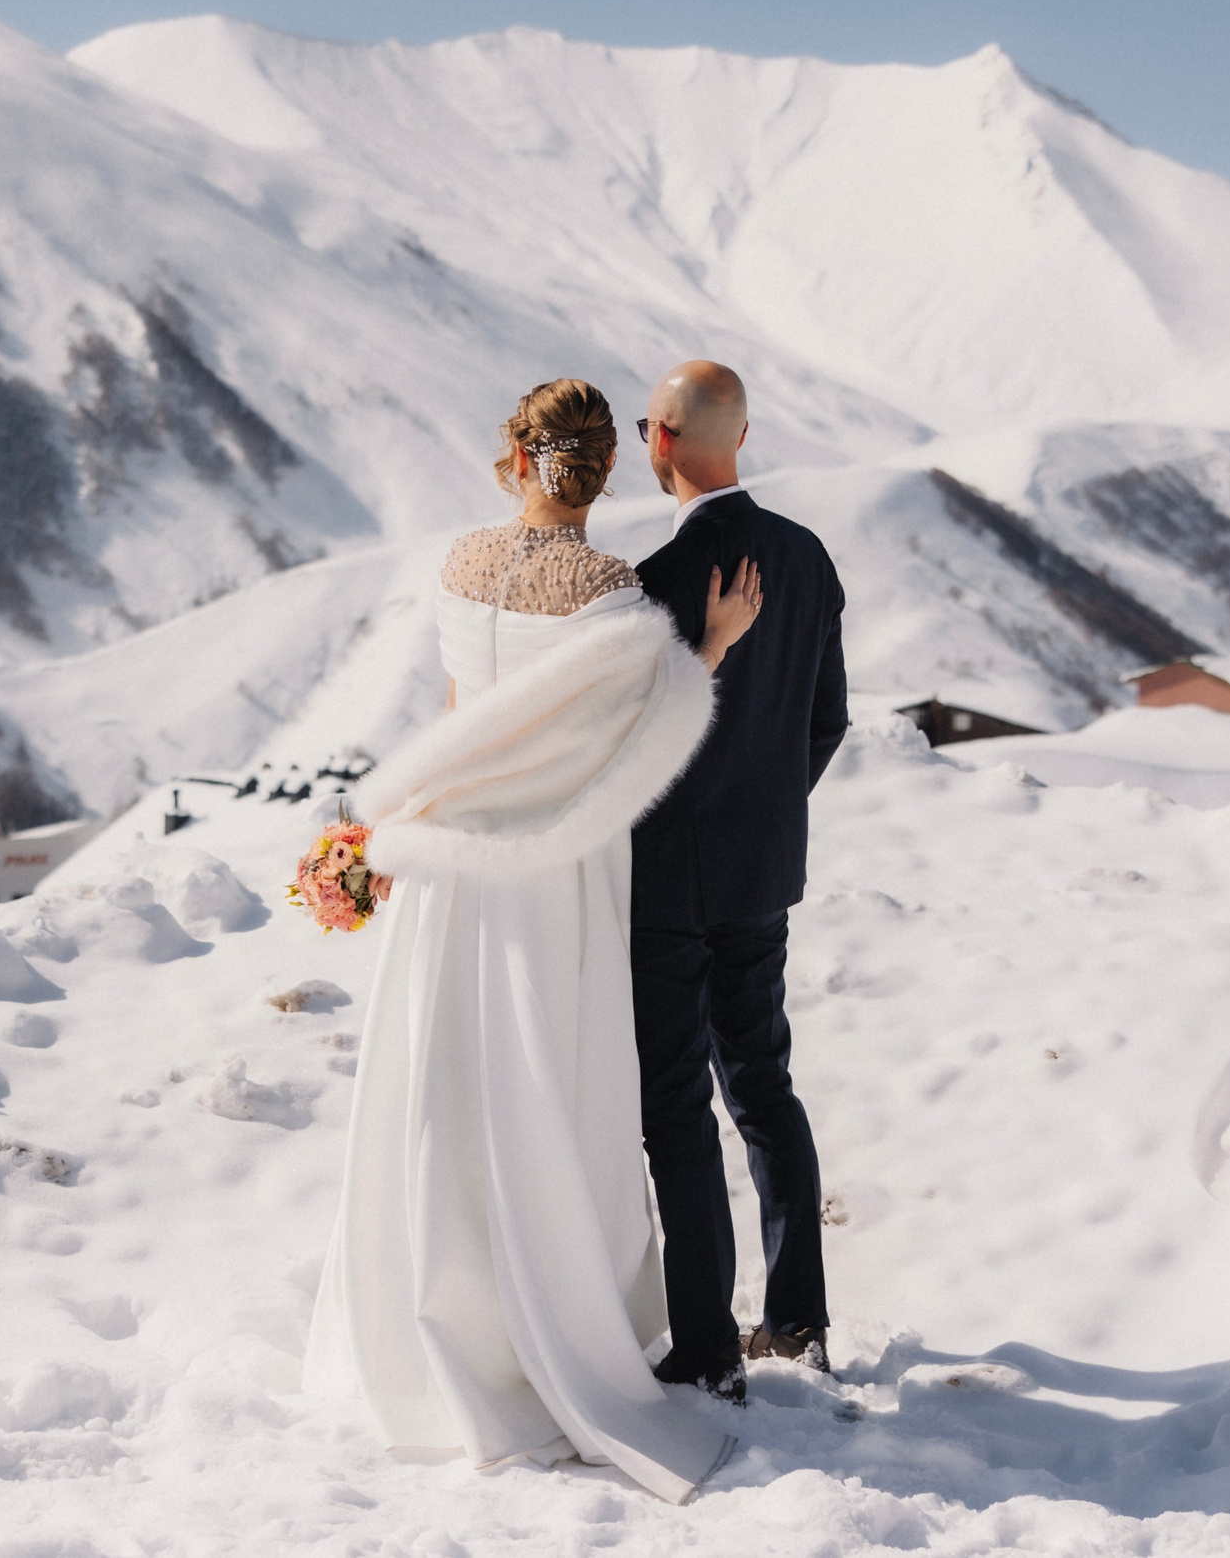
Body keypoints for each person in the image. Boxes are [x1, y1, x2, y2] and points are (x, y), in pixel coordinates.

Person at [304, 378, 762, 1503]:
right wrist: (710, 647)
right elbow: (631, 737)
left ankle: (429, 1324)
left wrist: (391, 834)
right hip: (553, 875)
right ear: (605, 469)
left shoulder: (461, 564)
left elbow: (461, 723)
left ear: (517, 460)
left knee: (442, 1088)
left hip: (450, 864)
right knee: (547, 1087)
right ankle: (545, 1320)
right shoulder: (610, 595)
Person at [629, 361, 848, 1403]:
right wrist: (767, 808)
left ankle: (708, 1346)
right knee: (763, 1086)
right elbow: (826, 718)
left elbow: (636, 741)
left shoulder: (654, 582)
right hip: (764, 871)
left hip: (667, 882)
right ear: (743, 436)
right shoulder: (805, 557)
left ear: (662, 439)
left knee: (676, 1105)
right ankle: (798, 1322)